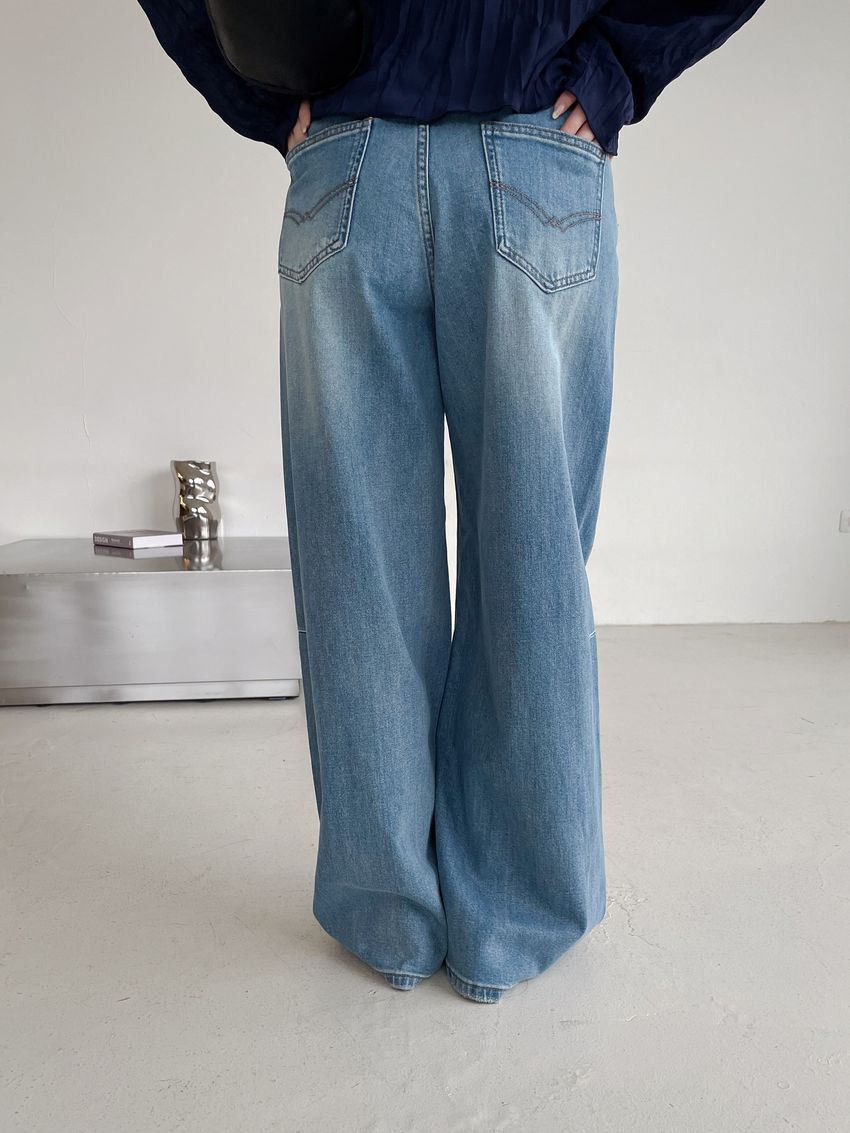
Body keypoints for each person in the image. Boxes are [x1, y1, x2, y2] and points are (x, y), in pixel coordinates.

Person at [136, 0, 766, 1003]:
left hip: (349, 159)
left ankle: (387, 910)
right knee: (532, 562)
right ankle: (515, 915)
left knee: (359, 569)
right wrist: (616, 67)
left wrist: (253, 95)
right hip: (534, 154)